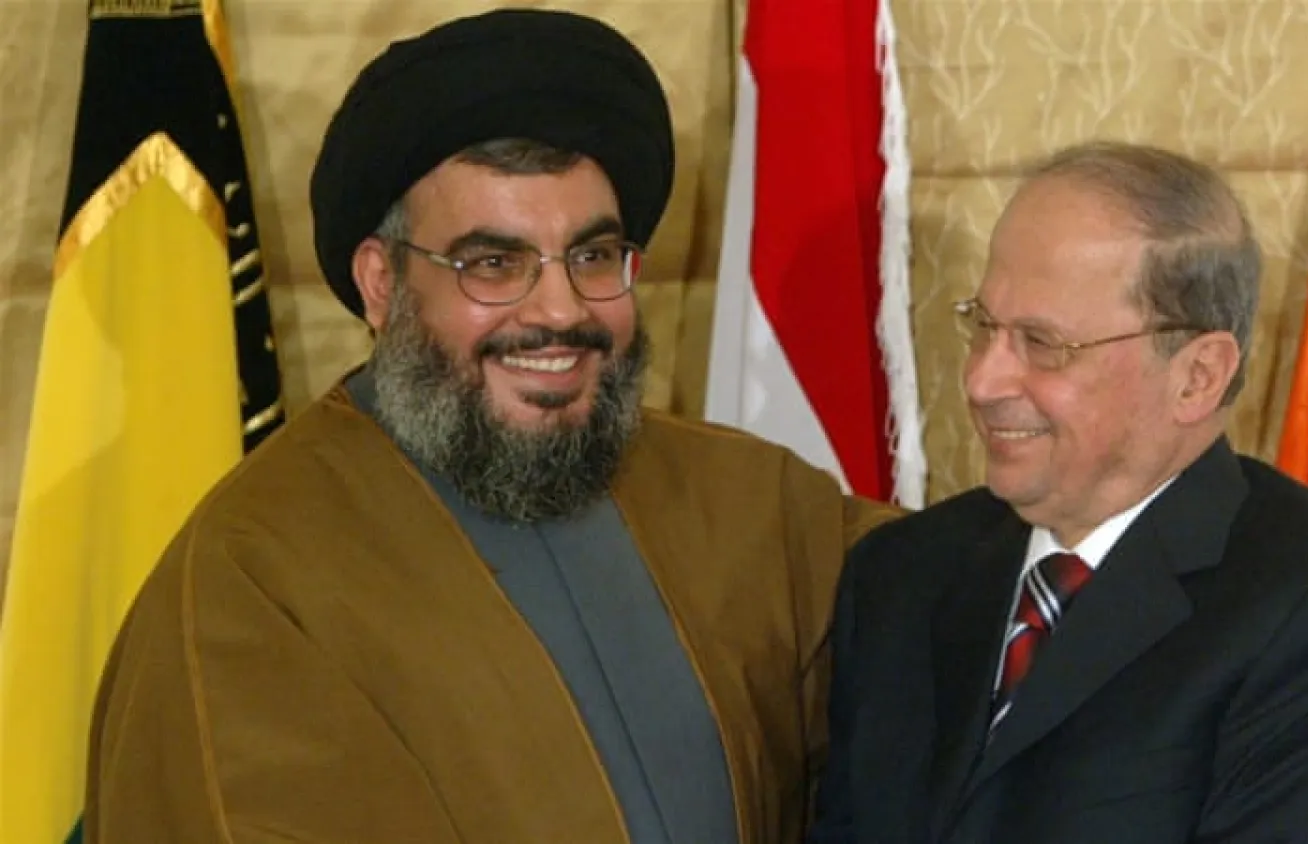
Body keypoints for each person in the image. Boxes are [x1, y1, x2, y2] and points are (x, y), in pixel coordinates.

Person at [83, 9, 897, 844]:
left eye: (592, 256)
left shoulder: (748, 500)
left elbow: (973, 612)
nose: (560, 310)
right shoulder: (251, 583)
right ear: (382, 283)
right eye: (493, 264)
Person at [808, 141, 1308, 844]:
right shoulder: (899, 573)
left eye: (1043, 344)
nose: (982, 382)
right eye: (983, 326)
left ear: (1197, 375)